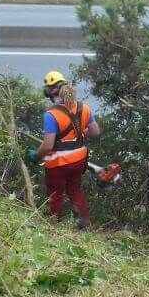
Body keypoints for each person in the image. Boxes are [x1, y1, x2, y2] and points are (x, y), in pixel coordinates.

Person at [27, 71, 101, 229]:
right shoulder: (84, 108)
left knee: (55, 194)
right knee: (75, 190)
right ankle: (85, 224)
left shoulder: (51, 115)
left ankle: (53, 226)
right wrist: (80, 134)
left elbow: (47, 145)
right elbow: (95, 131)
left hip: (58, 165)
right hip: (79, 161)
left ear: (49, 92)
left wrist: (36, 156)